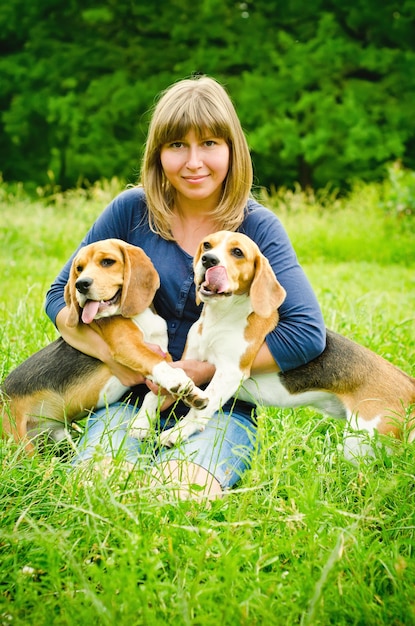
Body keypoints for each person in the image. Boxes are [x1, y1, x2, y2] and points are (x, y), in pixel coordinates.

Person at [45, 75, 326, 500]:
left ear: (233, 149)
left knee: (177, 495)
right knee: (98, 487)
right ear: (158, 153)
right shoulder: (130, 211)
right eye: (177, 145)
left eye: (210, 143)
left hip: (219, 407)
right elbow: (58, 300)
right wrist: (120, 358)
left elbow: (305, 334)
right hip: (131, 399)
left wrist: (204, 370)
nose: (194, 161)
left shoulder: (258, 227)